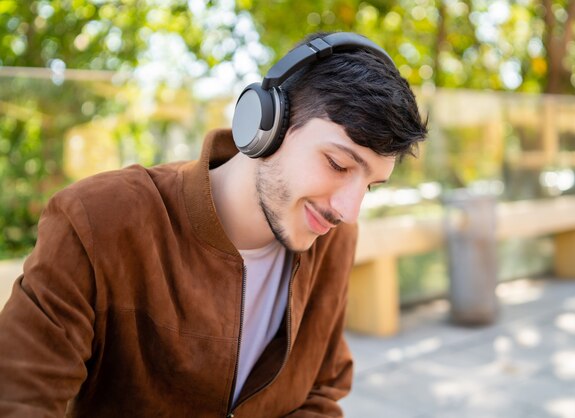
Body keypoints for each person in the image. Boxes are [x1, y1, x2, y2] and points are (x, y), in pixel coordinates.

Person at [0, 32, 427, 417]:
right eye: (337, 164)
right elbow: (19, 399)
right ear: (266, 125)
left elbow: (321, 391)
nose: (348, 211)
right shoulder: (97, 221)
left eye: (369, 185)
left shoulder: (333, 235)